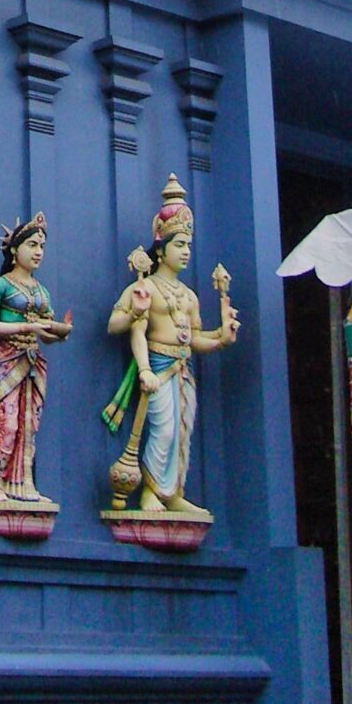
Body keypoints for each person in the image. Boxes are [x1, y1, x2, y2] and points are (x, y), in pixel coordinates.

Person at [105, 176, 237, 515]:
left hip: (182, 371)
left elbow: (193, 338)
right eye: (179, 245)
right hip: (159, 369)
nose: (186, 252)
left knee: (182, 434)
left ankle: (173, 492)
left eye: (189, 246)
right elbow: (116, 324)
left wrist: (221, 338)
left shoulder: (189, 296)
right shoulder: (146, 287)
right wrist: (145, 365)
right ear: (161, 250)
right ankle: (151, 491)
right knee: (162, 431)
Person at [0, 213, 71, 502]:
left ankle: (22, 484)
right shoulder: (0, 286)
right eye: (32, 245)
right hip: (6, 359)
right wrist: (26, 326)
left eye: (42, 246)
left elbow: (47, 333)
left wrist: (61, 332)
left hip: (32, 361)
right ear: (15, 250)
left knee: (30, 425)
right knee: (10, 424)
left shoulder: (41, 292)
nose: (39, 252)